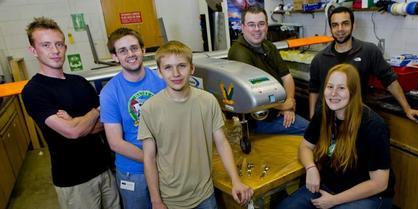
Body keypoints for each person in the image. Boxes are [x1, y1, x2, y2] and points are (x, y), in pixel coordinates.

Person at [138, 40, 253, 209]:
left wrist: (236, 181)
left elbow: (221, 143)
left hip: (205, 195)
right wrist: (156, 201)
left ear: (192, 68)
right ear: (159, 72)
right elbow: (148, 158)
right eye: (168, 67)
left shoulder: (208, 101)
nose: (176, 73)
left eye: (182, 66)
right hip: (171, 199)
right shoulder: (150, 109)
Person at [22, 17, 120, 209]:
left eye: (59, 44)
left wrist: (76, 123)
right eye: (46, 45)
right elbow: (72, 132)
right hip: (74, 181)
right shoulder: (34, 91)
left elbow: (106, 124)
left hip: (104, 170)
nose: (55, 50)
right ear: (33, 50)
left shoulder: (79, 82)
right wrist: (96, 111)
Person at [276, 64, 394, 209]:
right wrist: (311, 168)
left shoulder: (374, 126)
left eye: (341, 88)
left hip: (368, 195)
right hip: (328, 186)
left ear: (353, 91)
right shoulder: (324, 113)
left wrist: (334, 200)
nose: (333, 93)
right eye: (330, 87)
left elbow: (379, 184)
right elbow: (305, 146)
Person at [309, 6, 418, 122]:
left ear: (353, 25)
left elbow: (389, 80)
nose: (340, 29)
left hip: (355, 119)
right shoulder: (320, 59)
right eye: (335, 25)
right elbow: (314, 90)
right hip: (327, 119)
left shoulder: (369, 51)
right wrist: (312, 118)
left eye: (345, 24)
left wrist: (407, 108)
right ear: (331, 29)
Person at [99, 28, 166, 209]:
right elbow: (115, 143)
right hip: (133, 173)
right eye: (122, 50)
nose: (130, 54)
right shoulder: (110, 92)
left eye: (134, 48)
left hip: (167, 166)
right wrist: (153, 160)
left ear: (143, 50)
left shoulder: (162, 81)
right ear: (115, 57)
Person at [228, 6, 308, 135]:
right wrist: (284, 106)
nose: (257, 29)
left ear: (266, 25)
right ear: (243, 27)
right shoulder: (239, 52)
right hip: (260, 119)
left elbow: (286, 77)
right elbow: (255, 95)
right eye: (251, 25)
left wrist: (290, 102)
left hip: (279, 109)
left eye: (261, 24)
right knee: (310, 130)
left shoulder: (269, 46)